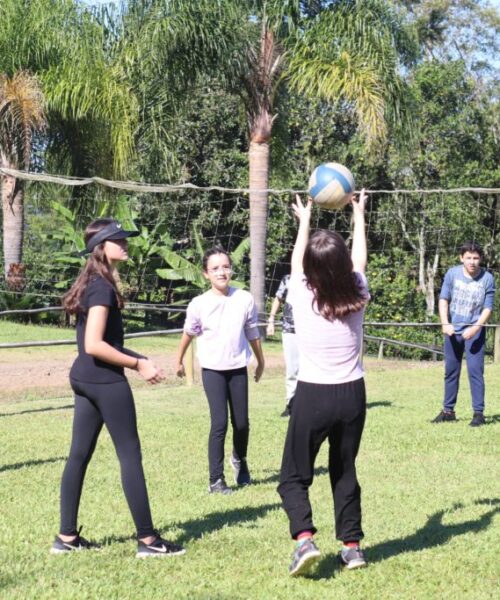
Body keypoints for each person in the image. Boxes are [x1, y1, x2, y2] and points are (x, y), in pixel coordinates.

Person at [51, 218, 185, 558]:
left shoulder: (95, 281)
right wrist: (139, 364)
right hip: (103, 380)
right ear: (102, 247)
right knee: (130, 456)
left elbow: (95, 344)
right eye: (118, 238)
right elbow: (95, 344)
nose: (125, 243)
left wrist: (137, 356)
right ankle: (149, 541)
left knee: (78, 456)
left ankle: (66, 538)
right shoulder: (101, 287)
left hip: (85, 377)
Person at [277, 190, 369, 577]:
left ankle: (304, 541)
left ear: (311, 270)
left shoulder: (300, 292)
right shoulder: (358, 291)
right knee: (344, 470)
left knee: (292, 476)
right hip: (352, 395)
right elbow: (359, 258)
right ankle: (352, 549)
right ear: (345, 264)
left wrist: (305, 221)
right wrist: (359, 215)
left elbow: (298, 261)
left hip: (313, 394)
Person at [176, 247, 265, 494]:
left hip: (237, 368)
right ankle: (216, 480)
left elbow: (252, 332)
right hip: (212, 370)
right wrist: (179, 359)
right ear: (206, 274)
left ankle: (240, 460)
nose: (221, 272)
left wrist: (261, 361)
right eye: (215, 268)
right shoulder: (199, 304)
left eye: (225, 266)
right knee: (219, 423)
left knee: (242, 423)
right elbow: (188, 333)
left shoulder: (244, 298)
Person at [432, 242, 495, 427]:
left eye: (476, 258)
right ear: (461, 258)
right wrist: (445, 323)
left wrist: (476, 328)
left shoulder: (488, 278)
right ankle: (448, 411)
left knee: (475, 372)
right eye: (468, 257)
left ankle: (478, 414)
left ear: (481, 259)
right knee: (451, 371)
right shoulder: (452, 274)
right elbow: (444, 299)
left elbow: (488, 307)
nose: (472, 262)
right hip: (452, 330)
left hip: (474, 331)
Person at [267, 274, 299, 417]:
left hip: (312, 331)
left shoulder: (319, 277)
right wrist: (271, 320)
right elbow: (278, 299)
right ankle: (291, 404)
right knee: (292, 369)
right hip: (290, 330)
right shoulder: (288, 279)